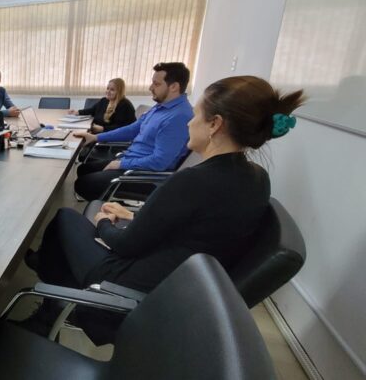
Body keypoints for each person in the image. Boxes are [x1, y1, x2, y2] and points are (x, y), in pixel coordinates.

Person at [26, 75, 305, 343]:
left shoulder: (193, 180)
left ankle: (51, 313)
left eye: (196, 116)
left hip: (136, 281)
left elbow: (124, 245)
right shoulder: (256, 177)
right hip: (183, 280)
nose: (189, 123)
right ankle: (56, 294)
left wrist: (104, 222)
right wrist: (133, 216)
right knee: (66, 241)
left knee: (64, 219)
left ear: (215, 125)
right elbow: (198, 225)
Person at [73, 62, 194, 201]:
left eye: (156, 84)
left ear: (174, 87)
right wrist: (96, 137)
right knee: (82, 170)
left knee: (83, 184)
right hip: (131, 160)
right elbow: (132, 129)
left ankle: (110, 212)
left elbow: (160, 162)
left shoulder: (179, 116)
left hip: (145, 175)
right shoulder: (160, 107)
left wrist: (121, 164)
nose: (150, 88)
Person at [68, 78, 136, 134]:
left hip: (108, 137)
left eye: (112, 90)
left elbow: (122, 127)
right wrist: (77, 112)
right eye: (108, 88)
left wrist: (102, 129)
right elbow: (92, 110)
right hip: (97, 132)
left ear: (119, 91)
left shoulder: (124, 105)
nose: (108, 91)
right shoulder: (104, 100)